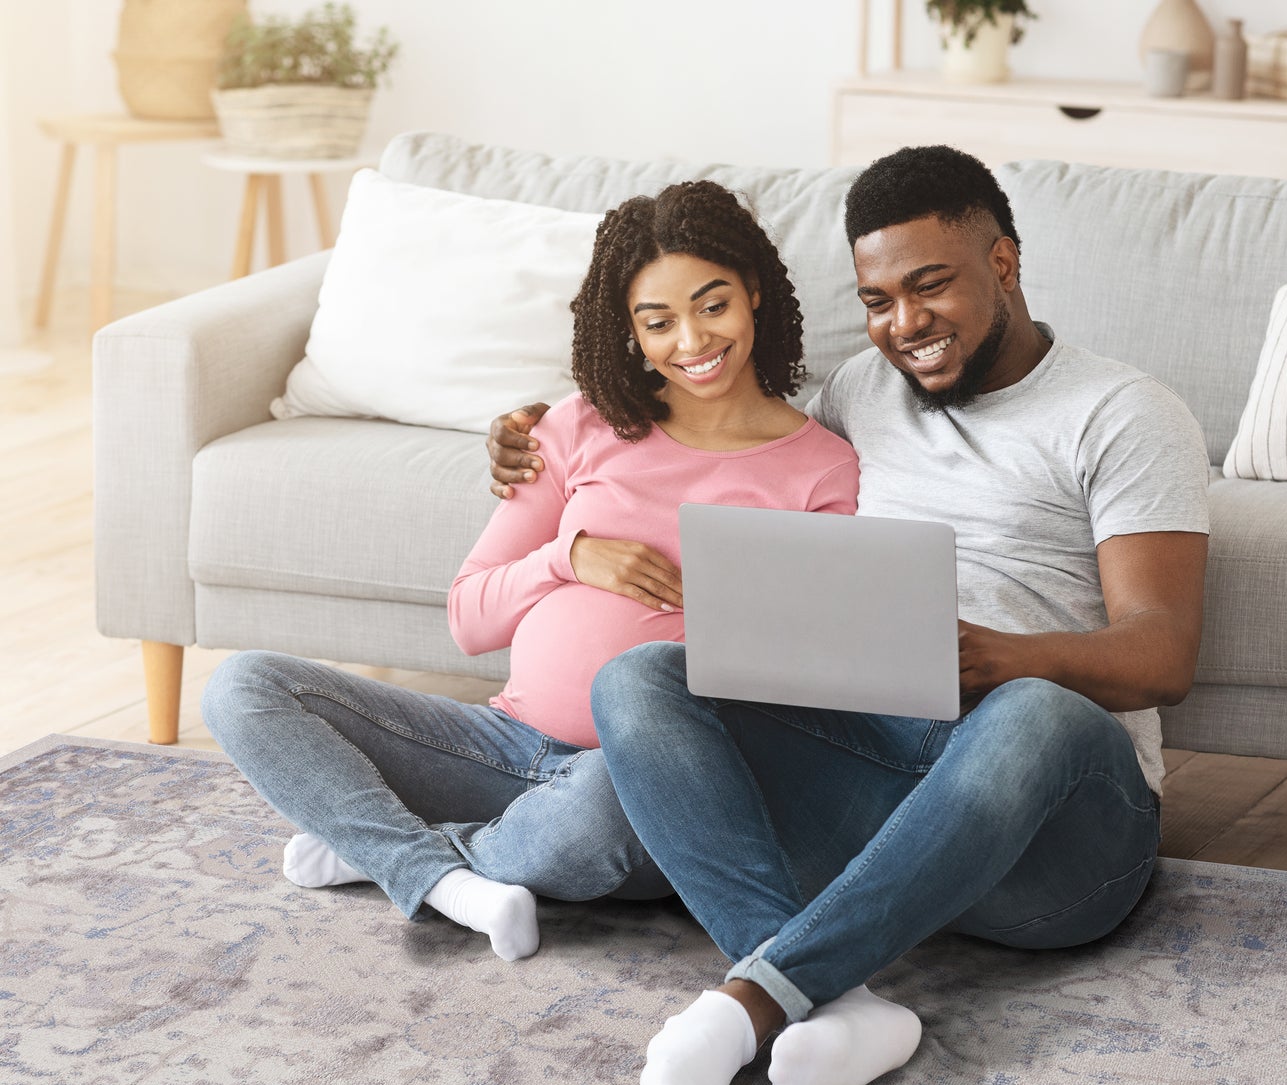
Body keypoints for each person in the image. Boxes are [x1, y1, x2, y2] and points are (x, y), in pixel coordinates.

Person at [485, 145, 1212, 1085]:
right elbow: (715, 436)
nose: (902, 323)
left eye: (929, 286)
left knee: (1034, 712)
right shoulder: (859, 395)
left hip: (1056, 833)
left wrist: (1000, 658)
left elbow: (1161, 650)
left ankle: (752, 1000)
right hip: (887, 779)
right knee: (645, 678)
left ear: (1001, 262)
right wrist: (541, 430)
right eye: (876, 299)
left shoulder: (1121, 413)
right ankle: (842, 1000)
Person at [201, 179, 859, 962]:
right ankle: (441, 868)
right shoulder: (579, 425)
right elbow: (469, 618)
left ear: (753, 291)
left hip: (635, 784)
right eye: (658, 322)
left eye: (712, 305)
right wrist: (570, 557)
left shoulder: (822, 471)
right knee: (245, 686)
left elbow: (815, 676)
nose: (691, 340)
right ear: (630, 331)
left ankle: (397, 853)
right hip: (498, 742)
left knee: (610, 804)